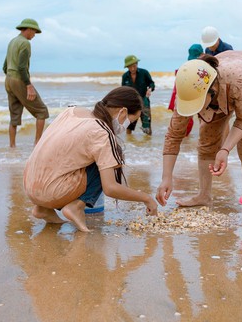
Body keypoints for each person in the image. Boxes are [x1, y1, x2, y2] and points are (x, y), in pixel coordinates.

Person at [24, 86, 159, 232]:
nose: (128, 126)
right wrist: (147, 198)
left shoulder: (71, 111)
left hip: (30, 185)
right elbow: (110, 188)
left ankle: (42, 209)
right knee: (110, 157)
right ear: (123, 111)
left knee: (71, 156)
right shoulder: (101, 132)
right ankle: (76, 207)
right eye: (131, 121)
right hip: (53, 191)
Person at [156, 51, 242, 207]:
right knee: (207, 135)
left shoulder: (240, 81)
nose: (193, 110)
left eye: (196, 104)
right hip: (223, 82)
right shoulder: (188, 88)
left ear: (210, 91)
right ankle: (204, 195)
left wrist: (225, 149)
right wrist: (166, 177)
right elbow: (174, 135)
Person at [3, 18, 49, 148]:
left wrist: (11, 81)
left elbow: (5, 66)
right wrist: (28, 85)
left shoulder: (12, 42)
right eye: (34, 31)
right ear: (28, 29)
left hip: (8, 80)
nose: (34, 35)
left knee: (14, 116)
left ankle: (12, 147)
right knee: (42, 111)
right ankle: (37, 144)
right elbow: (22, 68)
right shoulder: (25, 44)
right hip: (18, 79)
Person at [168, 44, 203, 137]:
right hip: (186, 97)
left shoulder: (184, 67)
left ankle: (184, 141)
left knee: (181, 123)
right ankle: (186, 141)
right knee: (193, 121)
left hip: (179, 97)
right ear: (202, 54)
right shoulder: (198, 67)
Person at [121, 54, 155, 135]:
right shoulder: (125, 76)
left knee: (147, 127)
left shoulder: (144, 73)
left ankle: (148, 146)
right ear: (127, 67)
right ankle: (130, 145)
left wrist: (150, 89)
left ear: (137, 64)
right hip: (131, 105)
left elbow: (151, 83)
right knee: (129, 127)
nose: (133, 68)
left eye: (134, 65)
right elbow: (123, 91)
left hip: (144, 102)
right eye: (130, 66)